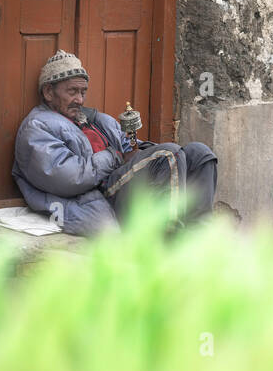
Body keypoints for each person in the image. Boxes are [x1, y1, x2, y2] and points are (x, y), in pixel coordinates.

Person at [12, 50, 219, 237]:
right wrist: (117, 157)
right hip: (99, 194)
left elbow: (128, 146)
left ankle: (199, 238)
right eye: (72, 91)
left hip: (123, 180)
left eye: (83, 92)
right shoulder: (37, 127)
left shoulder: (95, 119)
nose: (80, 99)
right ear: (49, 92)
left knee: (199, 154)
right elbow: (69, 177)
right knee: (168, 156)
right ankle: (169, 239)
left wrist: (140, 150)